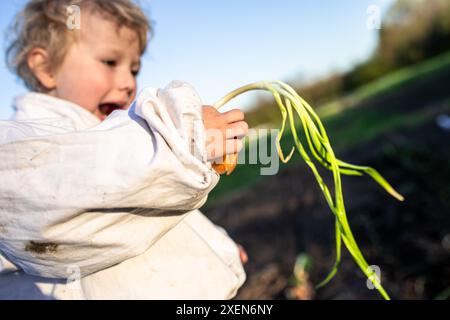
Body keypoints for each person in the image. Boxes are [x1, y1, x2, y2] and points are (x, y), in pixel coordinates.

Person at [0, 0, 248, 299]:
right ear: (45, 67)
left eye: (134, 68)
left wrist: (220, 248)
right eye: (109, 62)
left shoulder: (121, 143)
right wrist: (182, 139)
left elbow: (161, 215)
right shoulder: (27, 150)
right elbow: (52, 200)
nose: (129, 82)